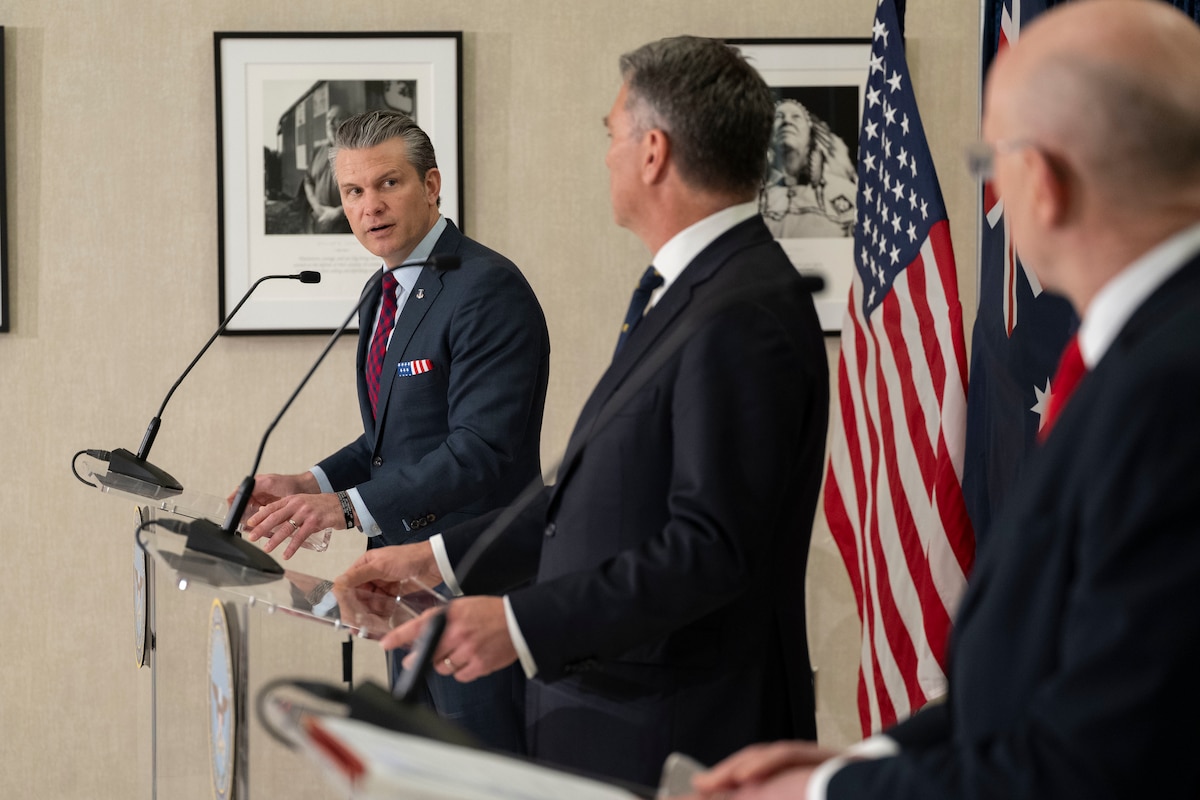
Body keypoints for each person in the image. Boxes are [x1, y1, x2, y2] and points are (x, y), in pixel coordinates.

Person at [687, 2, 1200, 798]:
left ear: (1044, 182)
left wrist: (827, 797)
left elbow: (1097, 759)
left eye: (990, 161)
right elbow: (1051, 671)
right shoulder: (1140, 349)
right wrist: (863, 761)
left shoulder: (1169, 391)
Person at [336, 36, 829, 788]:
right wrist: (434, 559)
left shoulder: (741, 311)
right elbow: (594, 494)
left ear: (654, 152)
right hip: (620, 713)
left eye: (611, 134)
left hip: (680, 732)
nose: (606, 157)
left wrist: (519, 623)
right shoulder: (692, 291)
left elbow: (707, 550)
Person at [239, 109, 550, 755]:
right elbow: (391, 443)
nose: (369, 206)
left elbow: (480, 450)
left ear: (431, 185)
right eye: (353, 191)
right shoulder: (383, 292)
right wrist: (310, 483)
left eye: (388, 183)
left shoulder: (485, 288)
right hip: (395, 588)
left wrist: (347, 507)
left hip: (472, 586)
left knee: (482, 778)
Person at [759, 98, 856, 239]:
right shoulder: (752, 196)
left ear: (811, 133)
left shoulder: (845, 191)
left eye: (796, 117)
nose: (787, 121)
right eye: (779, 117)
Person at [302, 104, 352, 234]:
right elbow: (308, 180)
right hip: (318, 220)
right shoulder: (317, 151)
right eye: (328, 118)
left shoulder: (357, 152)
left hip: (346, 225)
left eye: (336, 118)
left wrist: (338, 212)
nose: (330, 123)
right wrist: (316, 206)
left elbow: (365, 191)